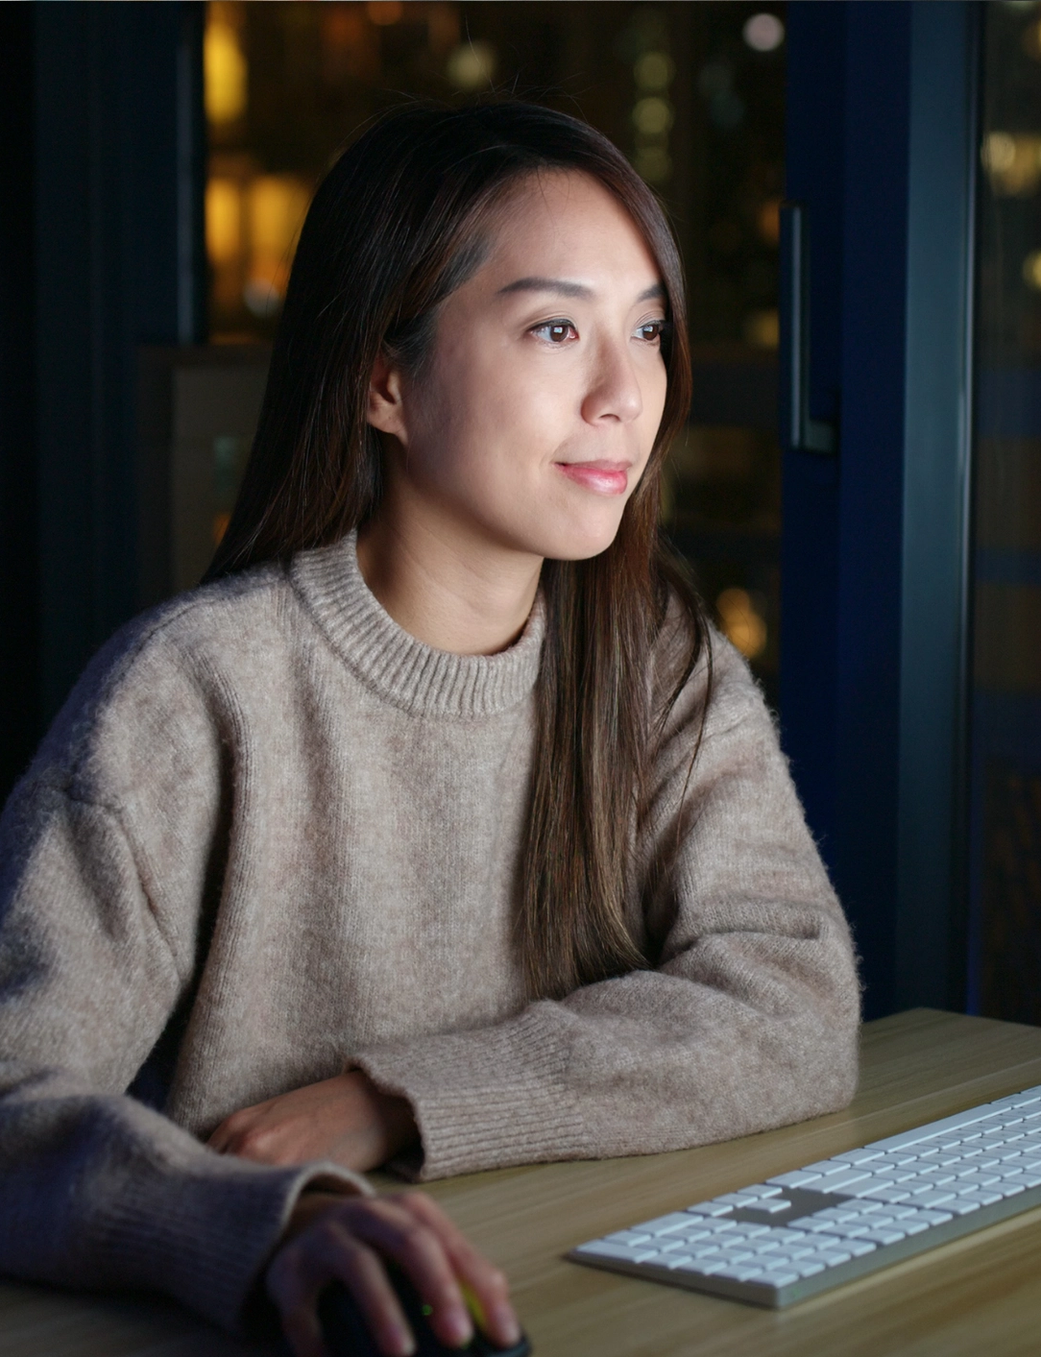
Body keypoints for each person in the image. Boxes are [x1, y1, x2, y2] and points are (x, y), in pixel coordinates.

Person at [0, 102, 860, 1357]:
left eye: (650, 331)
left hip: (573, 1301)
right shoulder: (189, 694)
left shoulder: (658, 663)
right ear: (385, 379)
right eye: (557, 328)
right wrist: (270, 1223)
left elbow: (795, 999)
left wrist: (392, 1102)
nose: (631, 395)